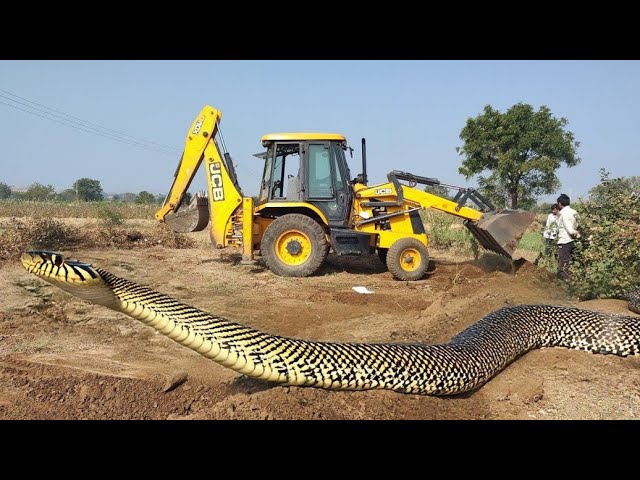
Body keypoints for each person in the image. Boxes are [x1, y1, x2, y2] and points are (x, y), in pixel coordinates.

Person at [556, 193, 580, 281]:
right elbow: (578, 225)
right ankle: (573, 279)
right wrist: (578, 236)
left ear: (559, 203)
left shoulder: (564, 213)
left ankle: (566, 284)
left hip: (565, 241)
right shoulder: (574, 212)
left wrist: (574, 234)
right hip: (574, 241)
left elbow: (569, 229)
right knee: (571, 262)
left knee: (564, 263)